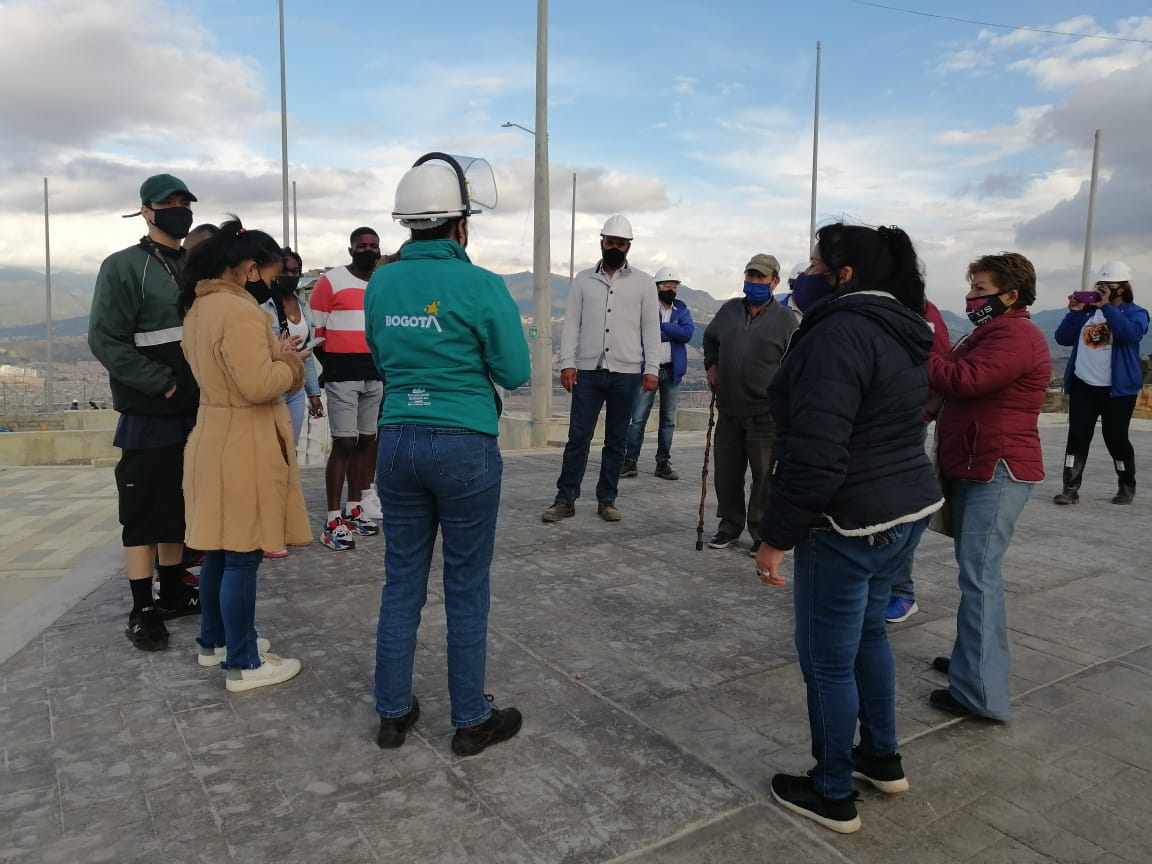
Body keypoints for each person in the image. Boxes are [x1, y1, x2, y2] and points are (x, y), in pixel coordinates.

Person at [754, 223, 942, 834]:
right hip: (905, 509)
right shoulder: (903, 327)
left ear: (845, 275)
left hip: (848, 521)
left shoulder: (837, 333)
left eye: (813, 263)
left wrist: (776, 537)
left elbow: (816, 452)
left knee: (827, 661)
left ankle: (833, 790)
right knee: (867, 639)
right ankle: (880, 758)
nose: (804, 274)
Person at [365, 153, 530, 755]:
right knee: (465, 584)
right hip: (464, 443)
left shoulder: (381, 282)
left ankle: (392, 713)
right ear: (461, 225)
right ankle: (469, 720)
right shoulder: (482, 285)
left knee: (401, 580)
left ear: (409, 224)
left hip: (397, 438)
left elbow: (384, 360)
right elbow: (514, 371)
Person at [178, 218, 310, 692]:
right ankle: (244, 662)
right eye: (273, 276)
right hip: (242, 441)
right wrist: (289, 362)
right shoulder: (239, 314)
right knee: (242, 555)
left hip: (213, 432)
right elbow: (258, 386)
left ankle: (215, 641)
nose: (276, 285)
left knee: (218, 547)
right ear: (252, 270)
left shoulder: (200, 307)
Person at [927, 254, 1051, 720]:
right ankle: (971, 663)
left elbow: (963, 379)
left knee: (980, 578)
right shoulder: (990, 332)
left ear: (1010, 295)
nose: (971, 297)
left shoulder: (1017, 334)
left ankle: (980, 693)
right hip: (979, 465)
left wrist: (931, 343)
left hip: (999, 469)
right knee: (976, 574)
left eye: (980, 289)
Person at [88, 173, 202, 652]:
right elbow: (105, 340)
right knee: (142, 512)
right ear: (146, 210)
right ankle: (142, 607)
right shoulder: (123, 267)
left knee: (178, 508)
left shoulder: (195, 266)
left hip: (195, 413)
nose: (180, 210)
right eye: (169, 203)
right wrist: (164, 383)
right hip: (149, 412)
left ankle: (173, 590)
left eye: (185, 202)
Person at [542, 215, 661, 523]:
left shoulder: (644, 283)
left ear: (628, 246)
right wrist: (567, 362)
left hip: (627, 371)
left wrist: (652, 368)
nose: (615, 247)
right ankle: (565, 499)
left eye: (620, 243)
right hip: (588, 371)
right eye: (610, 242)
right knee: (578, 437)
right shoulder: (583, 279)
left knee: (616, 439)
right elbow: (571, 324)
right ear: (601, 242)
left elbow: (651, 327)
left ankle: (607, 499)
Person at [702, 254, 797, 556]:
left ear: (774, 282)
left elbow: (795, 364)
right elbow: (710, 338)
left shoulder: (786, 321)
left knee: (763, 477)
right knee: (726, 474)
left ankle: (760, 531)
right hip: (729, 408)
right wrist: (712, 364)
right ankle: (729, 526)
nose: (754, 282)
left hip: (765, 414)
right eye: (751, 276)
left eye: (761, 278)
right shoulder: (729, 310)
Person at [310, 227, 385, 549]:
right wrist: (336, 364)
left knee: (367, 441)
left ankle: (354, 508)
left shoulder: (382, 282)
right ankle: (332, 519)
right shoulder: (331, 281)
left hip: (375, 373)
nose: (367, 250)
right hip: (343, 374)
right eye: (362, 245)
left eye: (373, 245)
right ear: (351, 248)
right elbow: (317, 330)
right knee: (344, 442)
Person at [1053, 261, 1149, 506]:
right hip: (1084, 386)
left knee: (1115, 437)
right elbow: (1062, 338)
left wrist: (1107, 308)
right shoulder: (1087, 313)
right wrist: (1075, 312)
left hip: (1117, 389)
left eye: (1109, 285)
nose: (1103, 289)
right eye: (1100, 285)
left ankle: (1126, 484)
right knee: (1077, 436)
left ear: (1122, 288)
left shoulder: (1136, 313)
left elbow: (1130, 334)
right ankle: (1070, 488)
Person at [884, 298, 953, 624]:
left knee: (899, 511)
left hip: (900, 427)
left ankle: (901, 592)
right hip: (858, 428)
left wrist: (925, 412)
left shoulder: (922, 310)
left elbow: (938, 362)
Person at [620, 266, 695, 480]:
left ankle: (663, 463)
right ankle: (630, 461)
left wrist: (661, 328)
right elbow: (642, 334)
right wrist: (673, 330)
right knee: (638, 418)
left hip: (672, 372)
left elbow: (687, 333)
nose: (671, 289)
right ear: (656, 287)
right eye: (666, 285)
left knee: (668, 420)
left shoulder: (682, 309)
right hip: (648, 371)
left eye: (674, 285)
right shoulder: (646, 307)